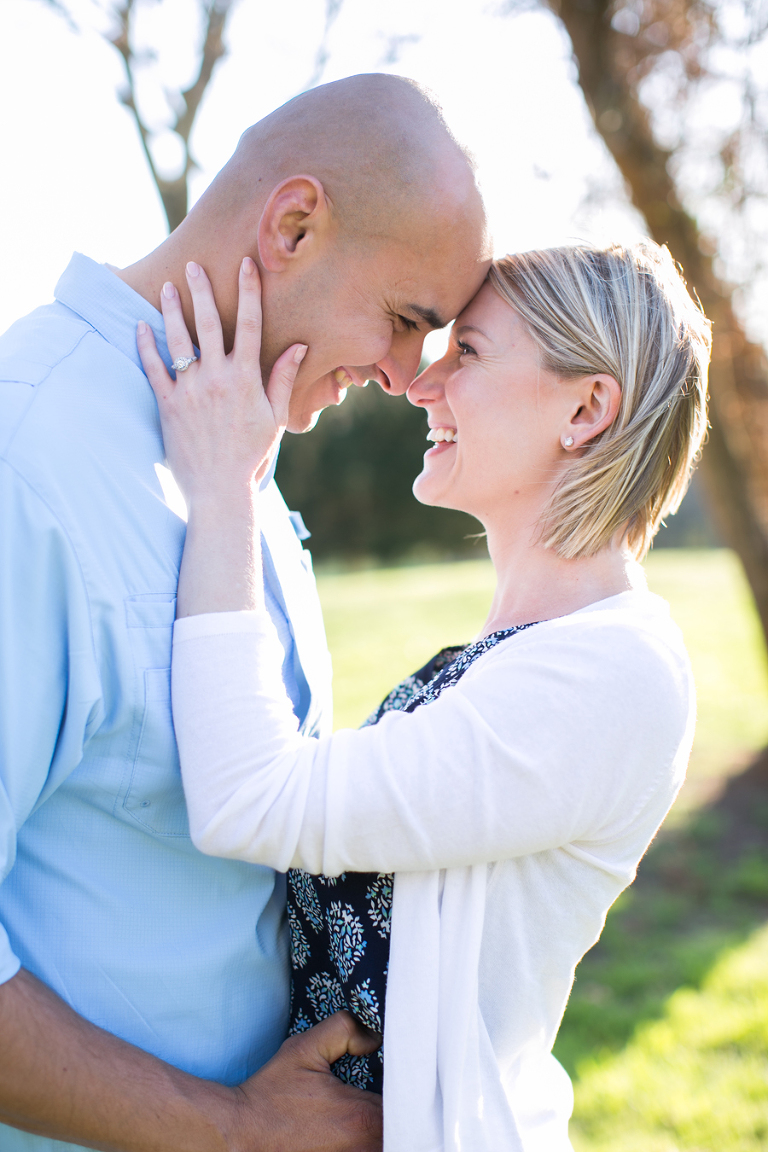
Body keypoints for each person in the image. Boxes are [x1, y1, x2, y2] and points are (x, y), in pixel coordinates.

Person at [0, 74, 489, 1152]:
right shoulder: (25, 460)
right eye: (408, 321)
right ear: (295, 224)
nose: (413, 376)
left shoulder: (233, 436)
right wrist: (233, 1129)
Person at [137, 238, 710, 1150]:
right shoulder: (532, 652)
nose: (419, 383)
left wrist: (222, 493)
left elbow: (251, 798)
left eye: (469, 352)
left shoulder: (612, 676)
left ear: (587, 407)